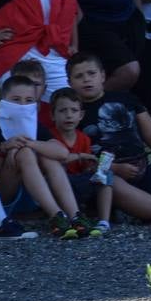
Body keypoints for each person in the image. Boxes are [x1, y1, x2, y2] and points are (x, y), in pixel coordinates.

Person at [67, 52, 151, 224]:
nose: (86, 79)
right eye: (79, 76)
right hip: (110, 177)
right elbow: (80, 157)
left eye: (91, 74)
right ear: (70, 82)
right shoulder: (73, 113)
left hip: (143, 170)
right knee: (109, 180)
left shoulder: (126, 98)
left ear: (102, 76)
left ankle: (142, 211)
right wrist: (115, 168)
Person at [0, 75, 88, 239]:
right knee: (25, 153)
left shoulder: (35, 125)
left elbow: (62, 153)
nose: (23, 105)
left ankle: (75, 216)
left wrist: (29, 143)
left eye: (28, 100)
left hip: (33, 195)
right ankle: (55, 216)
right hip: (2, 200)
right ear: (4, 100)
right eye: (16, 99)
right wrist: (4, 149)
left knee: (45, 154)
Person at [47, 87, 113, 236]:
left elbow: (84, 166)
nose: (69, 115)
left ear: (81, 115)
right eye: (63, 111)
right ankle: (71, 217)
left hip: (80, 181)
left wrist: (92, 167)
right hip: (61, 185)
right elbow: (59, 160)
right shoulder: (50, 136)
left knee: (106, 174)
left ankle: (104, 220)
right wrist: (81, 155)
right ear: (52, 115)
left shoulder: (84, 138)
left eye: (74, 111)